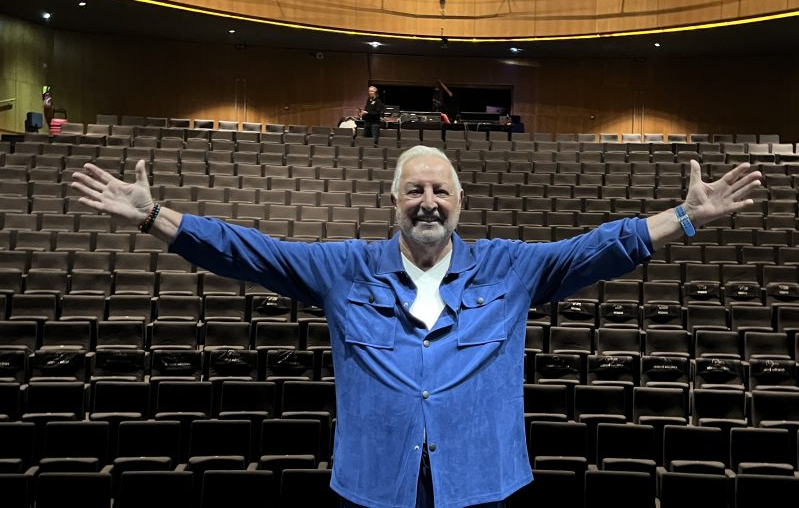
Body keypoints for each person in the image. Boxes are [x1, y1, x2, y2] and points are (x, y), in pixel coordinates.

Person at [72, 146, 762, 508]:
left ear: (460, 202)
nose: (427, 201)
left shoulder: (510, 268)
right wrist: (153, 216)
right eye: (414, 190)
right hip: (376, 488)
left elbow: (596, 248)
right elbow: (249, 250)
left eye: (439, 191)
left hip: (482, 486)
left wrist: (686, 216)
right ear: (394, 201)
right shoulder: (343, 269)